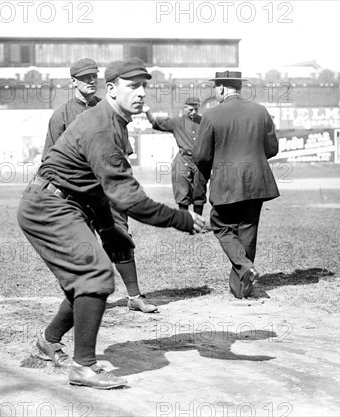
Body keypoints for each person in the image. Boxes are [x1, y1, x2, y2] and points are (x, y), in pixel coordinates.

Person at [18, 58, 205, 389]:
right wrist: (181, 218)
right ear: (111, 89)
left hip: (71, 202)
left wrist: (107, 229)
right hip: (50, 204)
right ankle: (83, 367)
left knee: (88, 277)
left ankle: (49, 340)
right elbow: (128, 197)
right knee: (95, 274)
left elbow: (97, 186)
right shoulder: (102, 126)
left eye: (144, 85)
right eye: (133, 86)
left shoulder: (115, 122)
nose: (142, 92)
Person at [42, 58, 157, 313]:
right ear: (73, 82)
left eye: (94, 76)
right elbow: (49, 161)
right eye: (85, 78)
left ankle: (134, 296)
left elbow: (123, 152)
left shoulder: (111, 109)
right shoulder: (61, 115)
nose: (91, 81)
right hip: (78, 192)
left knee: (120, 238)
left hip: (107, 191)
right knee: (83, 247)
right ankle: (85, 300)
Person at [192, 71, 280, 299]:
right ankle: (241, 289)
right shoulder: (260, 110)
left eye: (215, 88)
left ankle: (244, 267)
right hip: (257, 182)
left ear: (221, 88)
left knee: (221, 226)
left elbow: (201, 156)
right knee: (247, 232)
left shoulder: (212, 115)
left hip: (227, 183)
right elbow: (272, 149)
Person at [144, 97, 208, 217]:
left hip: (199, 161)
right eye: (190, 109)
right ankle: (185, 222)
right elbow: (154, 122)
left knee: (199, 191)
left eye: (196, 109)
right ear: (185, 108)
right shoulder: (177, 121)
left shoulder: (204, 121)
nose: (193, 112)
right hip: (183, 159)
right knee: (182, 191)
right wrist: (147, 111)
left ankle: (199, 222)